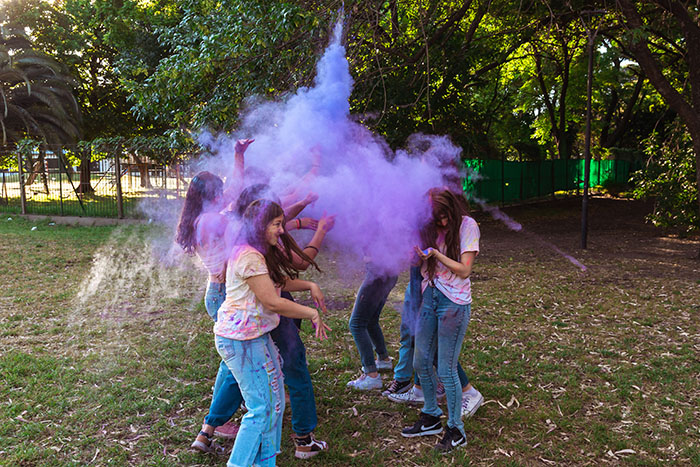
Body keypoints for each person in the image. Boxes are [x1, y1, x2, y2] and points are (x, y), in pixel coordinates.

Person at [214, 199, 330, 467]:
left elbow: (275, 282)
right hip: (241, 341)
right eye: (277, 224)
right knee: (261, 410)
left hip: (255, 336)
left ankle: (265, 463)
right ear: (260, 225)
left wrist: (309, 284)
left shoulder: (257, 252)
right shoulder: (249, 256)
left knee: (275, 404)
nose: (282, 230)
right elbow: (272, 301)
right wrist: (310, 313)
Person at [175, 140, 253, 454]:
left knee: (231, 362)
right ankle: (213, 424)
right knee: (235, 363)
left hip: (219, 293)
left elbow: (235, 190)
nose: (225, 195)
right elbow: (245, 221)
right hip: (223, 295)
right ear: (210, 197)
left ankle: (212, 426)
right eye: (219, 191)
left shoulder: (204, 215)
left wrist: (238, 156)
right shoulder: (212, 220)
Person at [400, 189, 481, 453]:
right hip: (430, 295)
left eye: (445, 217)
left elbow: (465, 269)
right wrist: (416, 255)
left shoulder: (468, 225)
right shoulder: (427, 226)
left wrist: (435, 254)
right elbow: (416, 262)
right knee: (420, 360)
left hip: (454, 303)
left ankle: (456, 430)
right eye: (437, 219)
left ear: (453, 209)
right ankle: (431, 416)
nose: (442, 223)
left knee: (445, 369)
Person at [346, 262, 398, 390]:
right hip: (389, 273)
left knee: (356, 324)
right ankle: (383, 359)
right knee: (370, 319)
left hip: (378, 273)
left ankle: (371, 375)